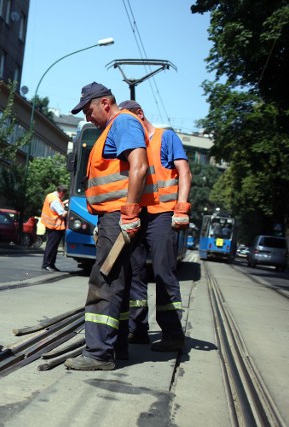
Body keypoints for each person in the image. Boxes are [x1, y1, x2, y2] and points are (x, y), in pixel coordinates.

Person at [63, 82, 158, 371]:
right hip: (112, 216)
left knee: (104, 281)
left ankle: (98, 353)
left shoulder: (123, 122)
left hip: (119, 215)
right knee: (119, 280)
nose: (87, 116)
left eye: (89, 109)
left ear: (105, 102)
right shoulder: (112, 129)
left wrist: (128, 213)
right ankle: (116, 346)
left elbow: (139, 166)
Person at [118, 100, 192, 353]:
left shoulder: (166, 138)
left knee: (163, 272)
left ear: (140, 114)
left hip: (161, 215)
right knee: (134, 273)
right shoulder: (129, 143)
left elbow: (184, 172)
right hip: (137, 215)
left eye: (130, 120)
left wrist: (181, 208)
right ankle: (137, 330)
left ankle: (173, 334)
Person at [40, 185, 68, 271]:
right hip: (55, 226)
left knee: (52, 246)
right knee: (52, 247)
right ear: (61, 192)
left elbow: (55, 207)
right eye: (63, 194)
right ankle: (47, 264)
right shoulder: (55, 201)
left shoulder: (51, 196)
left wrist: (64, 203)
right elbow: (62, 214)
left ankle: (50, 264)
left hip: (52, 226)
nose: (63, 196)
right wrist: (68, 210)